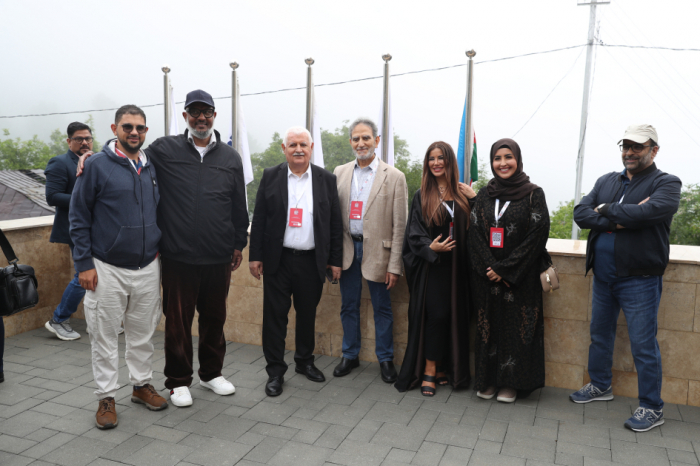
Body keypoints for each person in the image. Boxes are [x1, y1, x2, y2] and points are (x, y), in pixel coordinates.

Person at [78, 90, 249, 408]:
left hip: (218, 255)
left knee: (215, 318)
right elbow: (127, 154)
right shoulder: (164, 149)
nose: (201, 117)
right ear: (185, 116)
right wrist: (92, 156)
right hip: (177, 256)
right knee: (178, 322)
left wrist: (239, 242)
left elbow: (239, 205)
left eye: (207, 112)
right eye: (194, 112)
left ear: (214, 116)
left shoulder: (230, 157)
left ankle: (211, 374)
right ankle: (178, 382)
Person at [570, 124, 681, 432]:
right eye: (626, 146)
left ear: (653, 150)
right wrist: (622, 216)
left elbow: (654, 211)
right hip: (603, 276)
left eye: (637, 147)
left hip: (640, 278)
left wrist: (605, 211)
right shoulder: (607, 180)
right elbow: (581, 214)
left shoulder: (667, 183)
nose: (629, 152)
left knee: (643, 345)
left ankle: (652, 407)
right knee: (600, 335)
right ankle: (601, 385)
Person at [70, 105, 168, 429]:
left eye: (140, 127)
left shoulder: (153, 166)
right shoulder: (96, 165)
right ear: (115, 128)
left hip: (147, 266)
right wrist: (84, 264)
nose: (134, 132)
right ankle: (106, 397)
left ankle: (140, 386)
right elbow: (78, 216)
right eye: (127, 127)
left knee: (142, 333)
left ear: (146, 131)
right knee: (104, 335)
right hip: (107, 267)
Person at [249, 126, 342, 397]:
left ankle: (304, 362)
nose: (298, 149)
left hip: (312, 261)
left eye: (303, 144)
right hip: (278, 260)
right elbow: (261, 217)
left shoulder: (326, 179)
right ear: (284, 149)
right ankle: (275, 372)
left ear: (311, 148)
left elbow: (334, 224)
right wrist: (255, 256)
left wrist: (334, 260)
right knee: (275, 318)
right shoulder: (270, 176)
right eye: (293, 145)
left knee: (307, 315)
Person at [468, 138, 549, 403]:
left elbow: (538, 235)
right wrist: (490, 268)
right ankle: (488, 380)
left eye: (508, 157)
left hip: (520, 278)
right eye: (497, 158)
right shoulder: (484, 194)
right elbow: (475, 233)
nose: (502, 163)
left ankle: (511, 383)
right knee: (487, 329)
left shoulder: (533, 194)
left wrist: (505, 269)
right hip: (487, 278)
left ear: (518, 159)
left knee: (517, 332)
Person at [332, 118, 408, 383]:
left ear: (376, 141)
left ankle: (385, 360)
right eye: (356, 138)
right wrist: (333, 258)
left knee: (382, 308)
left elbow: (400, 226)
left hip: (380, 253)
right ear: (351, 142)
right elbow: (332, 220)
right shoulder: (339, 172)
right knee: (348, 306)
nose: (360, 143)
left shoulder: (394, 176)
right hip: (347, 249)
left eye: (366, 138)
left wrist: (394, 266)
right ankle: (349, 355)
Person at [395, 141, 474, 396]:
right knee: (436, 316)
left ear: (450, 162)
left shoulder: (463, 194)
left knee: (454, 317)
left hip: (458, 268)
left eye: (441, 158)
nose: (436, 163)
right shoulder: (422, 195)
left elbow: (483, 225)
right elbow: (413, 234)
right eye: (432, 158)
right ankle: (428, 369)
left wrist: (476, 199)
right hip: (434, 268)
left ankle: (443, 368)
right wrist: (431, 248)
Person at [44, 122, 92, 341]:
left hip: (96, 228)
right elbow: (53, 196)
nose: (84, 142)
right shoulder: (60, 162)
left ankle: (95, 321)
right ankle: (58, 319)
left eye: (87, 138)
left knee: (96, 274)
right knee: (83, 274)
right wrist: (85, 200)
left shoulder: (96, 160)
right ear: (69, 141)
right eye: (78, 139)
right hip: (75, 228)